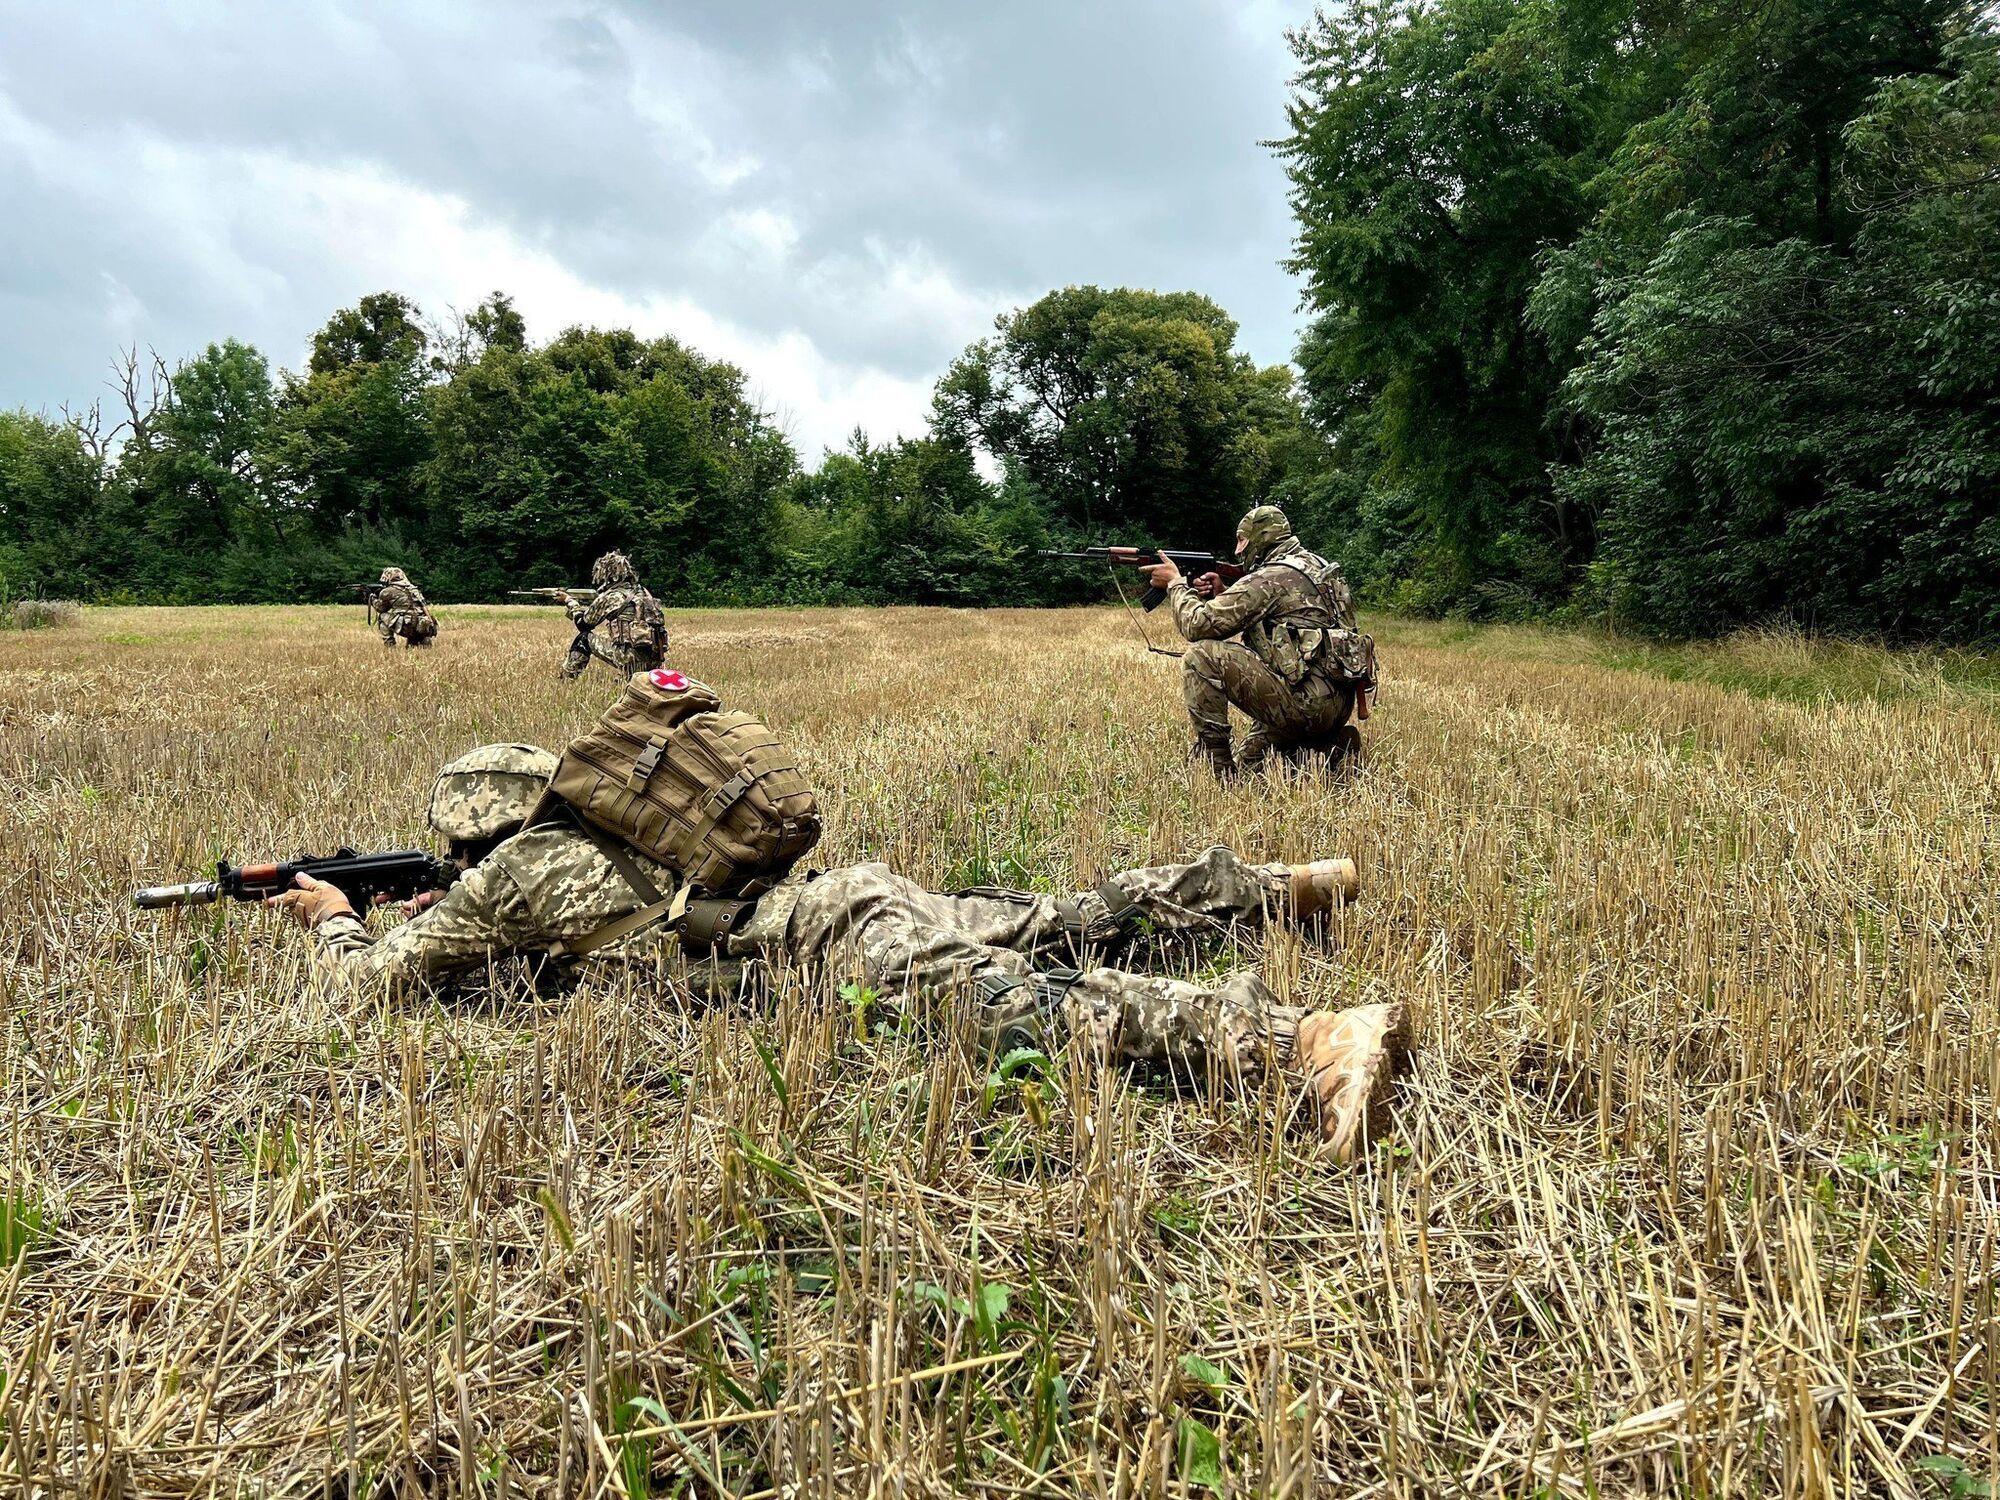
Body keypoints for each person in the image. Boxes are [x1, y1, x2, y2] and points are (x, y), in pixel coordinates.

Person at [266, 744, 1412, 1160]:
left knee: (1034, 1005)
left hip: (826, 947)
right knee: (1063, 914)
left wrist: (335, 919)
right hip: (845, 898)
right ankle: (1279, 886)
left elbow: (370, 993)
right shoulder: (625, 827)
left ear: (474, 832)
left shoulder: (508, 879)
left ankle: (1298, 1038)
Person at [1141, 506, 1368, 780]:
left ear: (1261, 538)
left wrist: (1175, 584)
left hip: (1304, 704)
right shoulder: (1317, 567)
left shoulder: (1270, 577)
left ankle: (1219, 774)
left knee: (1201, 657)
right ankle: (1329, 747)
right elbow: (1286, 625)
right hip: (1337, 704)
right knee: (1253, 767)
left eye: (1242, 541)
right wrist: (1224, 593)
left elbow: (1197, 625)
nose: (1238, 551)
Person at [559, 552, 666, 679]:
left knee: (583, 639)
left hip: (629, 658)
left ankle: (566, 679)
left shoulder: (612, 596)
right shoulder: (644, 593)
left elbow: (583, 624)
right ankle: (629, 675)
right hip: (655, 660)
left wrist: (570, 602)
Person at [373, 566, 438, 649]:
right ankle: (423, 644)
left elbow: (381, 609)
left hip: (407, 626)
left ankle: (390, 646)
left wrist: (373, 599)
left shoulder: (388, 591)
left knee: (382, 616)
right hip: (423, 625)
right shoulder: (414, 589)